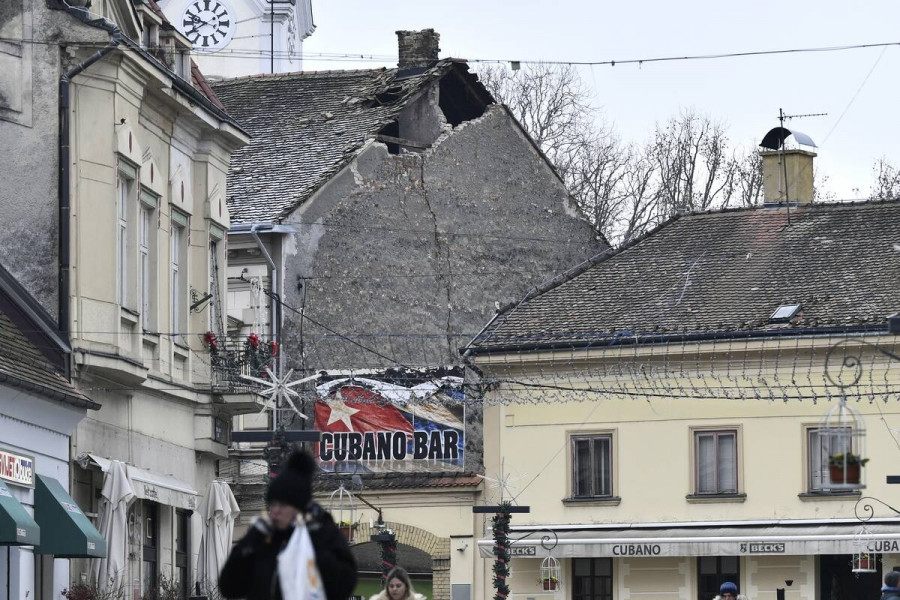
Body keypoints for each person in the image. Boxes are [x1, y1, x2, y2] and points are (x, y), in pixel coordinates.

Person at [219, 450, 358, 600]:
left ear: (299, 507)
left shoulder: (323, 531)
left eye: (283, 505)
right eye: (273, 504)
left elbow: (344, 586)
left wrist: (315, 545)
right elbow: (229, 588)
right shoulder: (264, 538)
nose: (275, 511)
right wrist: (248, 542)